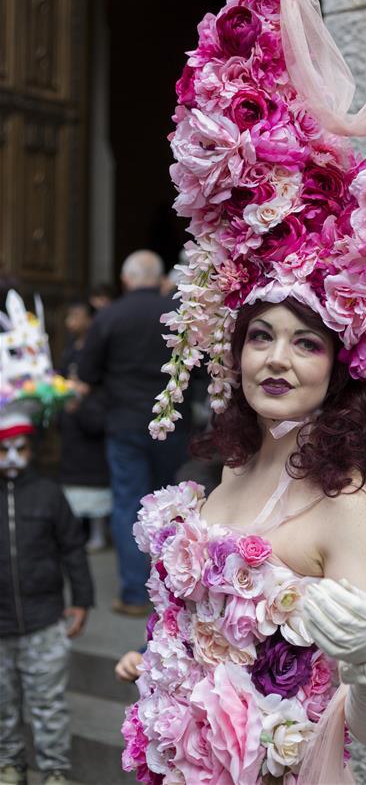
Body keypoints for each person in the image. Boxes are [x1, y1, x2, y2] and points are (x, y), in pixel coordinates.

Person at [122, 0, 366, 784]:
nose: (274, 358)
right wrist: (163, 664)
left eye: (305, 343)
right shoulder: (236, 459)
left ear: (342, 364)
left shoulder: (348, 507)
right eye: (260, 336)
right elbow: (213, 624)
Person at [78, 250, 189, 615]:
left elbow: (88, 372)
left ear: (126, 280)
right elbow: (198, 370)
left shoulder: (109, 315)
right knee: (172, 506)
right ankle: (174, 592)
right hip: (171, 422)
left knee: (128, 505)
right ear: (159, 280)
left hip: (124, 423)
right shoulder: (177, 316)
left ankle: (133, 595)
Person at [0, 411, 94, 785]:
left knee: (48, 703)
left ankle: (55, 768)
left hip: (44, 619)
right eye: (3, 449)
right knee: (3, 704)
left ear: (30, 449)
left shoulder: (48, 493)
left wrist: (82, 599)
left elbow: (73, 548)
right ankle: (10, 762)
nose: (11, 457)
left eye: (19, 448)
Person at [59, 300, 111, 551]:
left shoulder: (99, 350)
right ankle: (76, 531)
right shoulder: (69, 351)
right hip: (72, 420)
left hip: (92, 414)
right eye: (70, 316)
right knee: (73, 477)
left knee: (95, 477)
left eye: (77, 315)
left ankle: (98, 531)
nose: (72, 322)